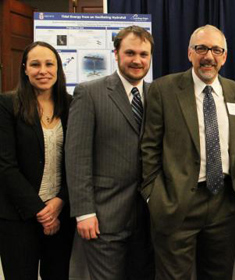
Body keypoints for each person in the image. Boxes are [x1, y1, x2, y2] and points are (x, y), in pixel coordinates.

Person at [141, 24, 235, 279]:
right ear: (189, 53)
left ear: (225, 57)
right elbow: (149, 146)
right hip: (176, 202)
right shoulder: (164, 90)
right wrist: (153, 195)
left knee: (218, 275)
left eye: (216, 50)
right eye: (201, 48)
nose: (208, 56)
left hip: (225, 204)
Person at [65, 25, 154, 279]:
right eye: (130, 53)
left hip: (148, 219)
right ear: (116, 54)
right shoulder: (90, 93)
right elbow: (77, 157)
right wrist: (84, 212)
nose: (137, 60)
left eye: (144, 54)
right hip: (104, 217)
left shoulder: (157, 94)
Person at [0, 41, 75, 279]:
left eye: (49, 64)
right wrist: (41, 210)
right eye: (35, 64)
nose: (43, 70)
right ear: (25, 69)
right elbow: (5, 165)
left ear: (58, 68)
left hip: (62, 213)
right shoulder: (6, 104)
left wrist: (60, 201)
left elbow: (78, 161)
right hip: (18, 216)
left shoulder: (72, 105)